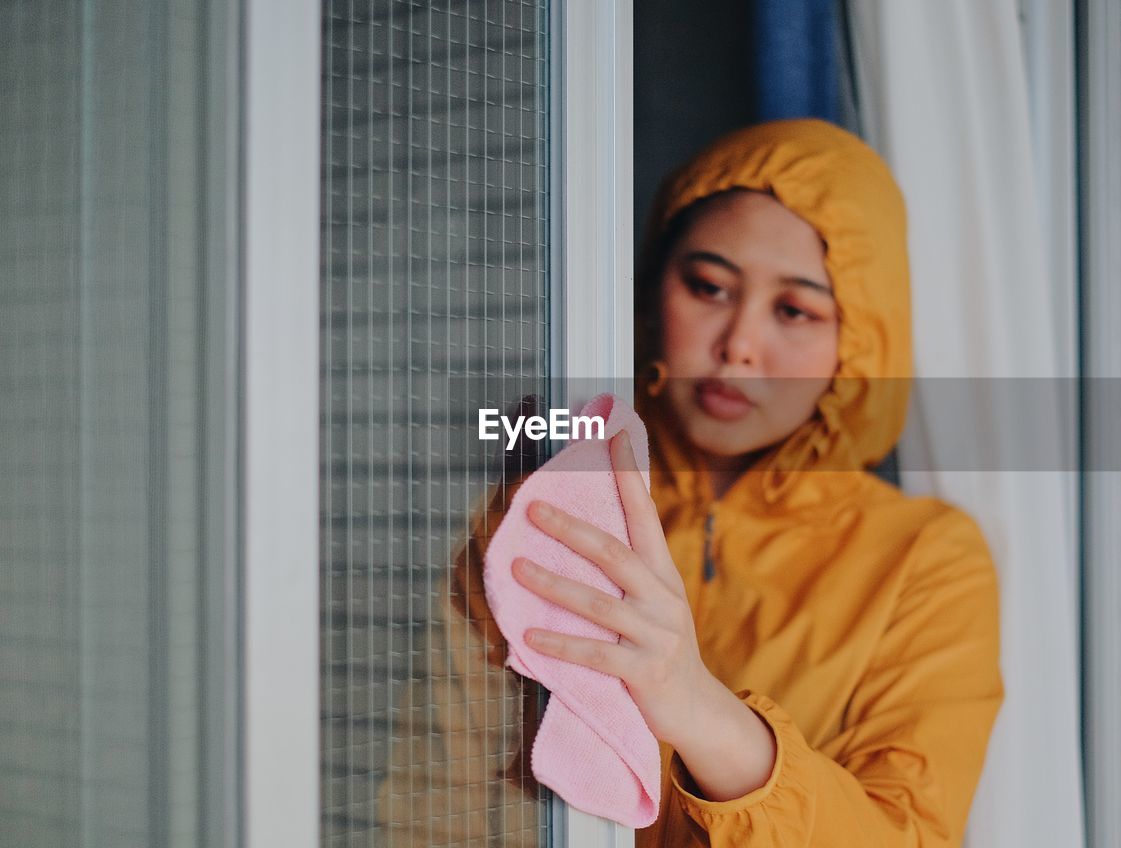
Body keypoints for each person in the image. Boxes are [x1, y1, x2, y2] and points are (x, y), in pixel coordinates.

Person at [380, 118, 1003, 847]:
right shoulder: (545, 508)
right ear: (650, 297)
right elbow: (436, 799)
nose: (739, 344)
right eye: (708, 287)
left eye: (794, 309)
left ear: (859, 342)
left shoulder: (924, 559)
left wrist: (698, 707)